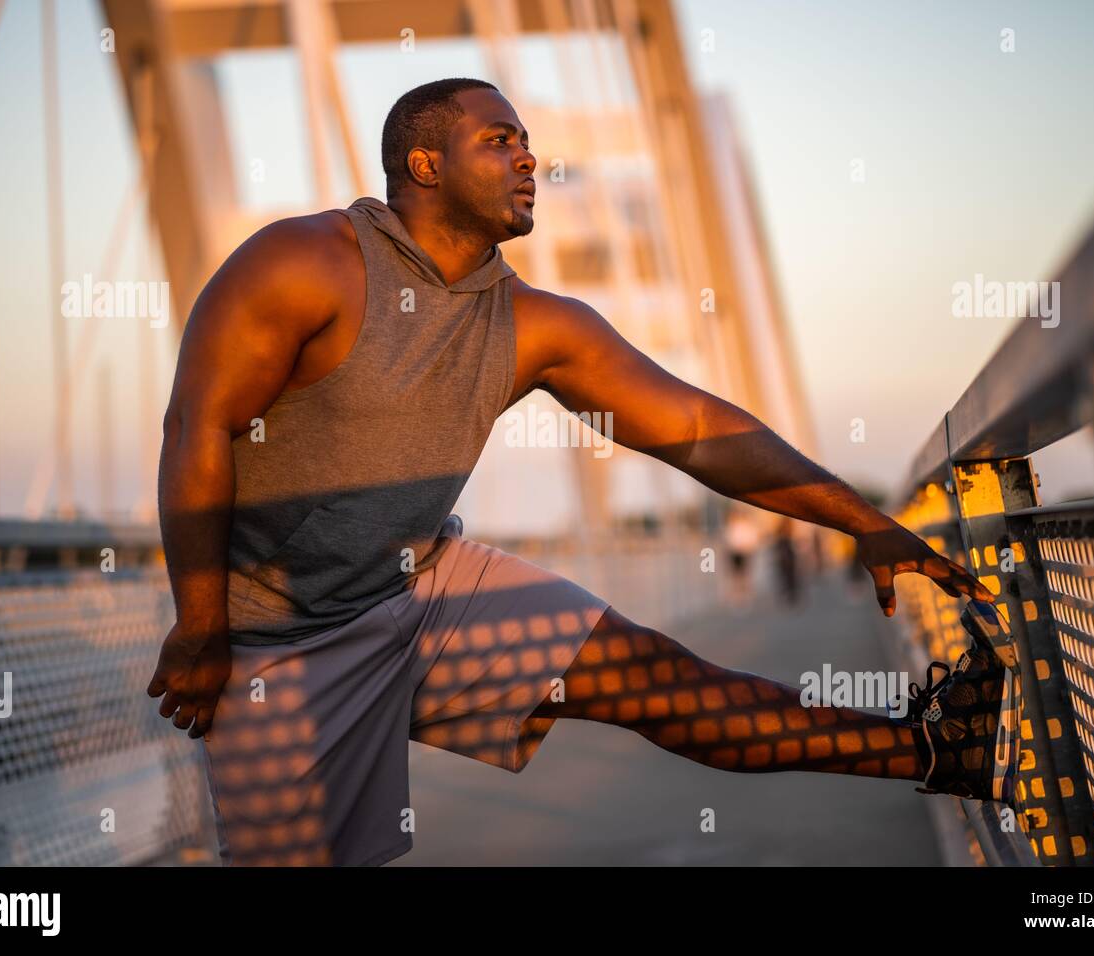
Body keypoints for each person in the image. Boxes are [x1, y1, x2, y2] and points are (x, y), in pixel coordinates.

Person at [147, 78, 1016, 866]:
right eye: (500, 141)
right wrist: (200, 625)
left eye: (528, 140)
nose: (530, 158)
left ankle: (941, 751)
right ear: (424, 164)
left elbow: (700, 429)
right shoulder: (303, 264)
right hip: (278, 641)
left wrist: (857, 518)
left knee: (664, 683)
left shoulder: (536, 324)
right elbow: (199, 427)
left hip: (421, 590)